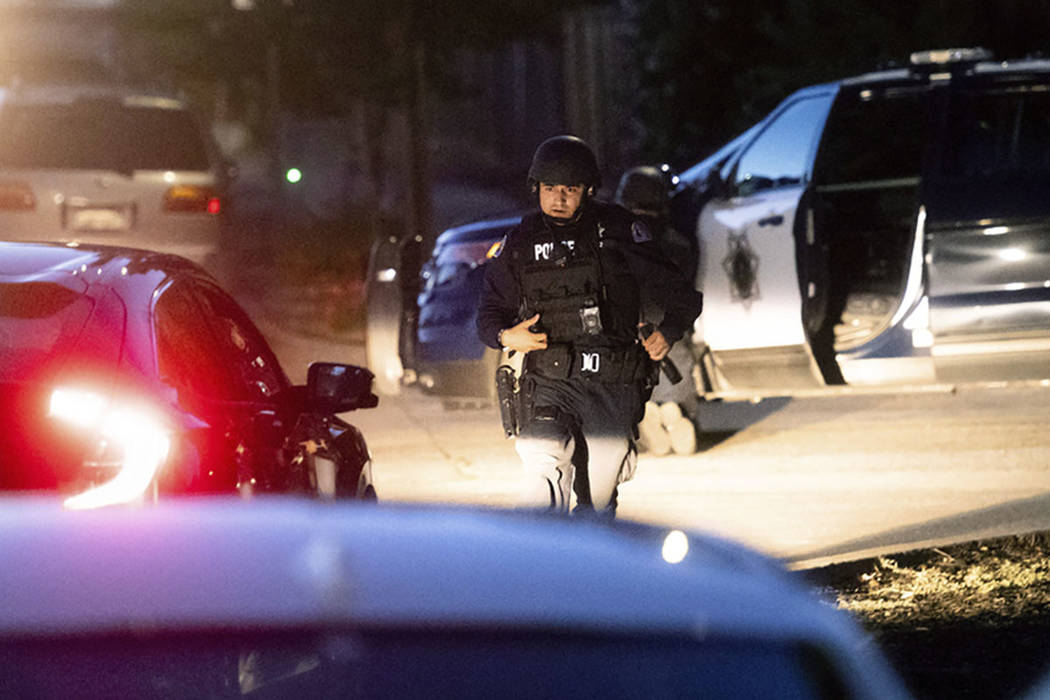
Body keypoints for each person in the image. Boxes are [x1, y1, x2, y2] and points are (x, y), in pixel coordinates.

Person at [476, 135, 702, 517]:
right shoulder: (520, 242)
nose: (559, 198)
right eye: (550, 188)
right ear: (537, 189)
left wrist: (669, 331)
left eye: (570, 189)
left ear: (588, 190)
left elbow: (681, 293)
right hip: (548, 381)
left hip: (611, 384)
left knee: (596, 506)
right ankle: (540, 570)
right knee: (542, 472)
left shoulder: (619, 231)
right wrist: (505, 336)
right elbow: (488, 313)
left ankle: (589, 570)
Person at [614, 164, 702, 456]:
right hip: (667, 330)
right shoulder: (678, 244)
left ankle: (648, 415)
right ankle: (677, 412)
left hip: (626, 331)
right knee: (678, 363)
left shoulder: (613, 240)